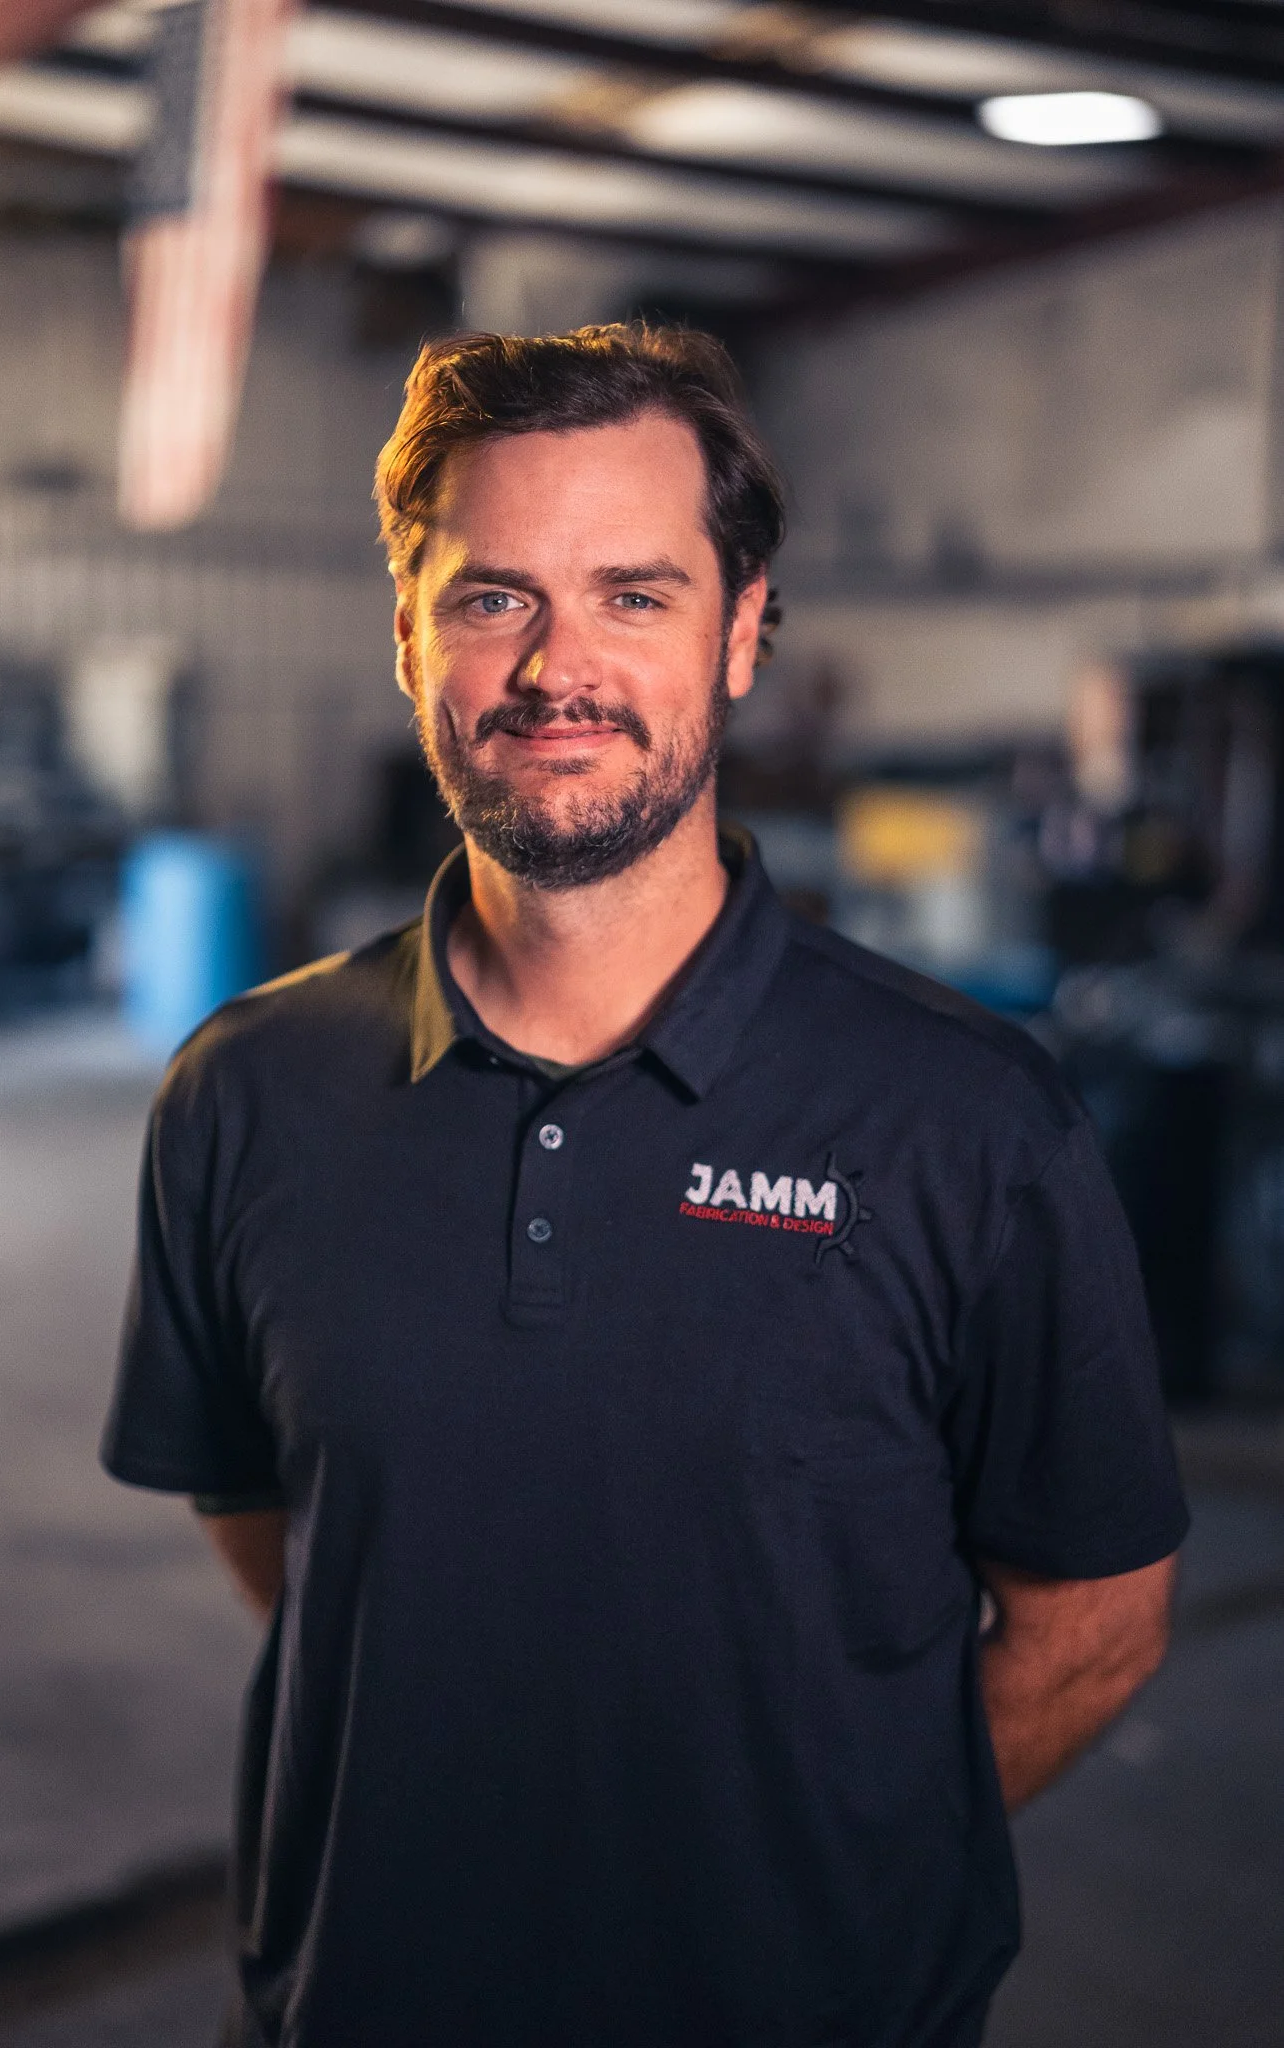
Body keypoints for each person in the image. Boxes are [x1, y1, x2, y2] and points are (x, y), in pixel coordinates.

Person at [102, 323, 1188, 2048]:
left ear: (742, 631)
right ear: (407, 636)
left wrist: (810, 1868)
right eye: (491, 598)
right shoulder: (247, 1090)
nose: (558, 667)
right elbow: (280, 1531)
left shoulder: (967, 1122)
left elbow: (1092, 1632)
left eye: (634, 594)